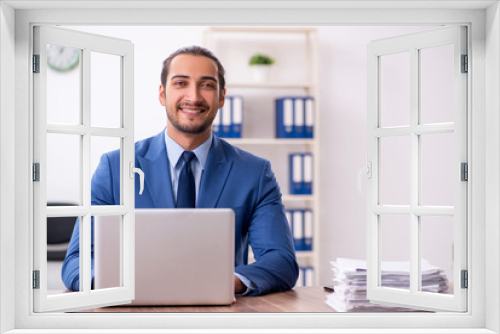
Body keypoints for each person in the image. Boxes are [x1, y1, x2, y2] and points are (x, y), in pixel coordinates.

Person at [62, 45, 299, 296]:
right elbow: (76, 260)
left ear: (221, 97)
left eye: (207, 85)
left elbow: (281, 260)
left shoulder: (254, 173)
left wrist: (231, 282)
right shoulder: (115, 168)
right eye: (180, 83)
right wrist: (113, 282)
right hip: (135, 310)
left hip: (221, 313)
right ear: (162, 94)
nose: (194, 97)